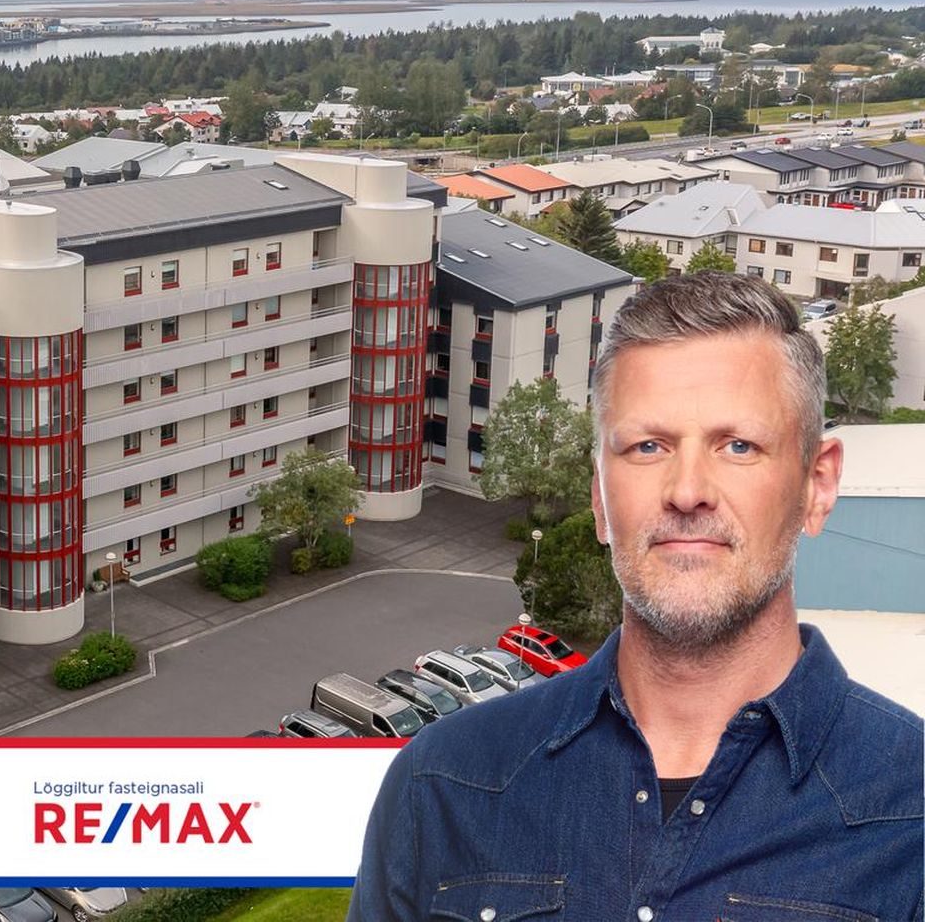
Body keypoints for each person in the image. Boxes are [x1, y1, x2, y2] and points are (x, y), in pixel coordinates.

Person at [348, 272, 922, 920]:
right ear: (599, 497)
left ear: (817, 486)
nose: (688, 491)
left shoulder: (912, 809)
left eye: (738, 445)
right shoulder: (444, 785)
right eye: (648, 446)